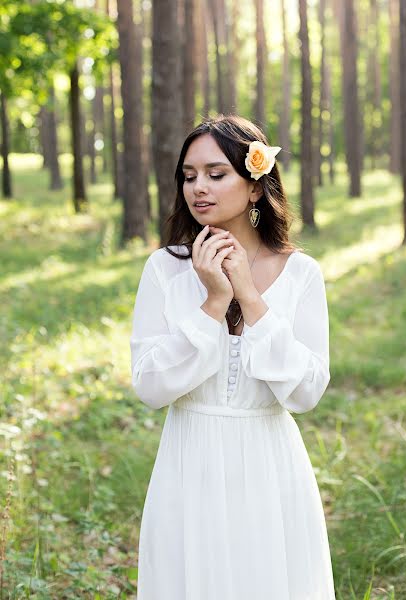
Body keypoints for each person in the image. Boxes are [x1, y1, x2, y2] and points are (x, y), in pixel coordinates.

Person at [130, 114, 336, 599]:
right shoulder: (163, 270)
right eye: (188, 175)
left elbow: (306, 391)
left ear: (254, 186)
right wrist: (214, 302)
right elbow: (150, 386)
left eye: (216, 174)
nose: (198, 187)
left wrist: (251, 295)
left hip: (269, 466)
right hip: (188, 465)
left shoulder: (302, 274)